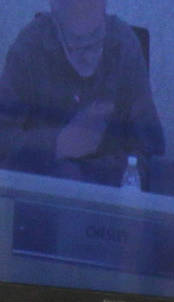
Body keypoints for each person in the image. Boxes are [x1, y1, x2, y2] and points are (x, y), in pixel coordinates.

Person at [0, 0, 162, 184]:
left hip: (107, 196)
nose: (81, 6)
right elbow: (3, 138)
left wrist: (97, 175)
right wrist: (57, 144)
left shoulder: (125, 46)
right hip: (43, 194)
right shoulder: (30, 47)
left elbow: (150, 147)